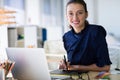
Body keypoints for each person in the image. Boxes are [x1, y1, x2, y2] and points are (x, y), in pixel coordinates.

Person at [59, 0, 112, 72]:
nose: (75, 18)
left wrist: (77, 67)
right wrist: (65, 65)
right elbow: (72, 63)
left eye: (80, 13)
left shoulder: (96, 32)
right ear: (66, 16)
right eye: (71, 13)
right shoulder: (66, 37)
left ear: (86, 14)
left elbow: (106, 67)